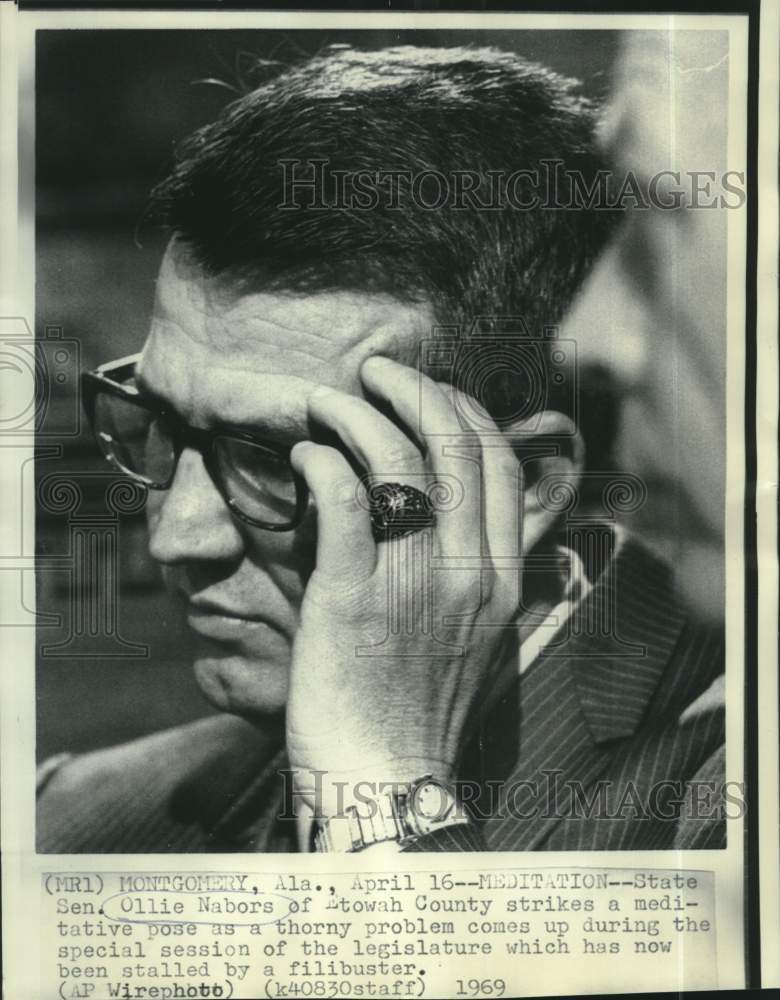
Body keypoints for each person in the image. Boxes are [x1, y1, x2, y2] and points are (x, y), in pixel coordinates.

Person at [36, 44, 726, 854]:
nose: (175, 537)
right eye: (156, 418)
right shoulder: (73, 823)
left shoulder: (722, 789)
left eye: (269, 459)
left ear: (526, 485)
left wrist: (380, 785)